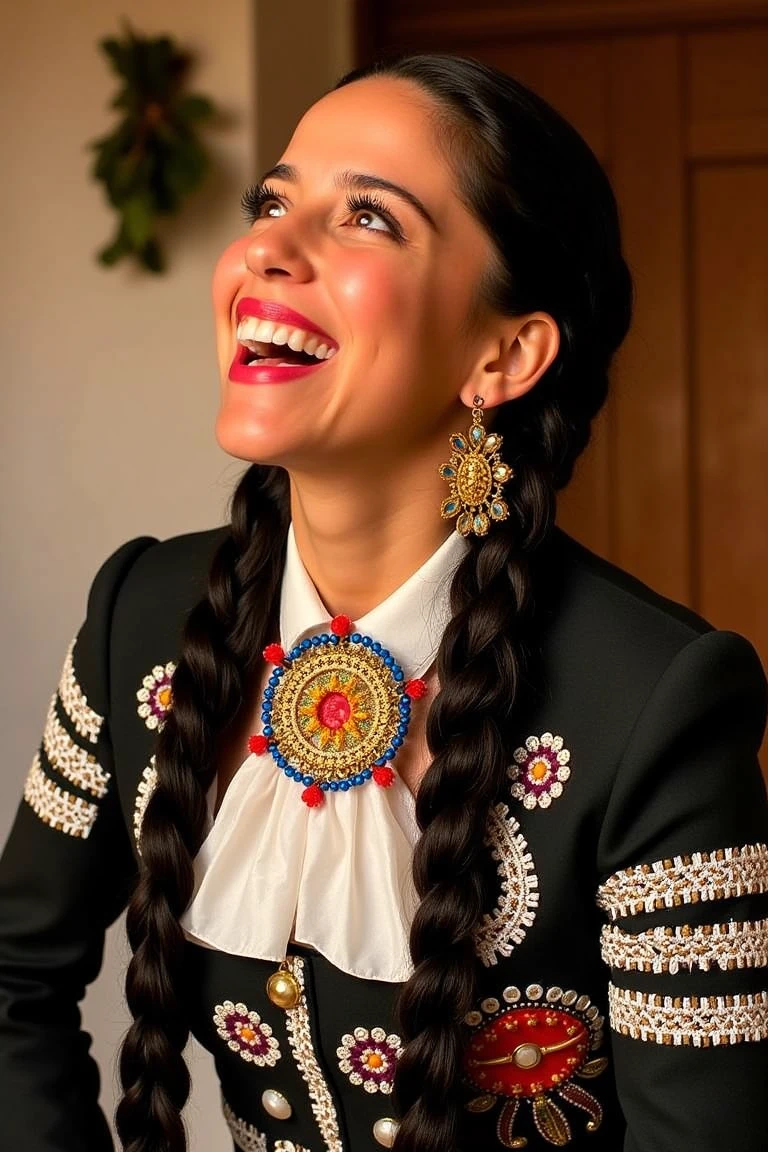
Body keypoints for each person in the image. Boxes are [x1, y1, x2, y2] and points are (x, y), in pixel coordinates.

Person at [1, 52, 767, 1152]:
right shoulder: (140, 615)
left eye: (367, 215)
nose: (265, 245)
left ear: (506, 353)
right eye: (273, 199)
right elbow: (12, 982)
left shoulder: (657, 699)